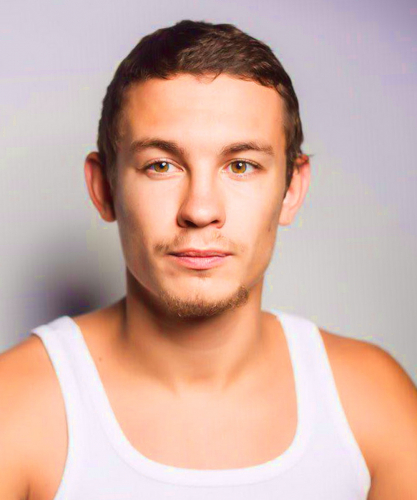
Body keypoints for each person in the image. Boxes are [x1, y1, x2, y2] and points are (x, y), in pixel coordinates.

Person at [0, 19, 416, 500]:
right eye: (161, 165)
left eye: (241, 165)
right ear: (104, 187)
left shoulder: (373, 405)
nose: (200, 210)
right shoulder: (16, 410)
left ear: (291, 190)